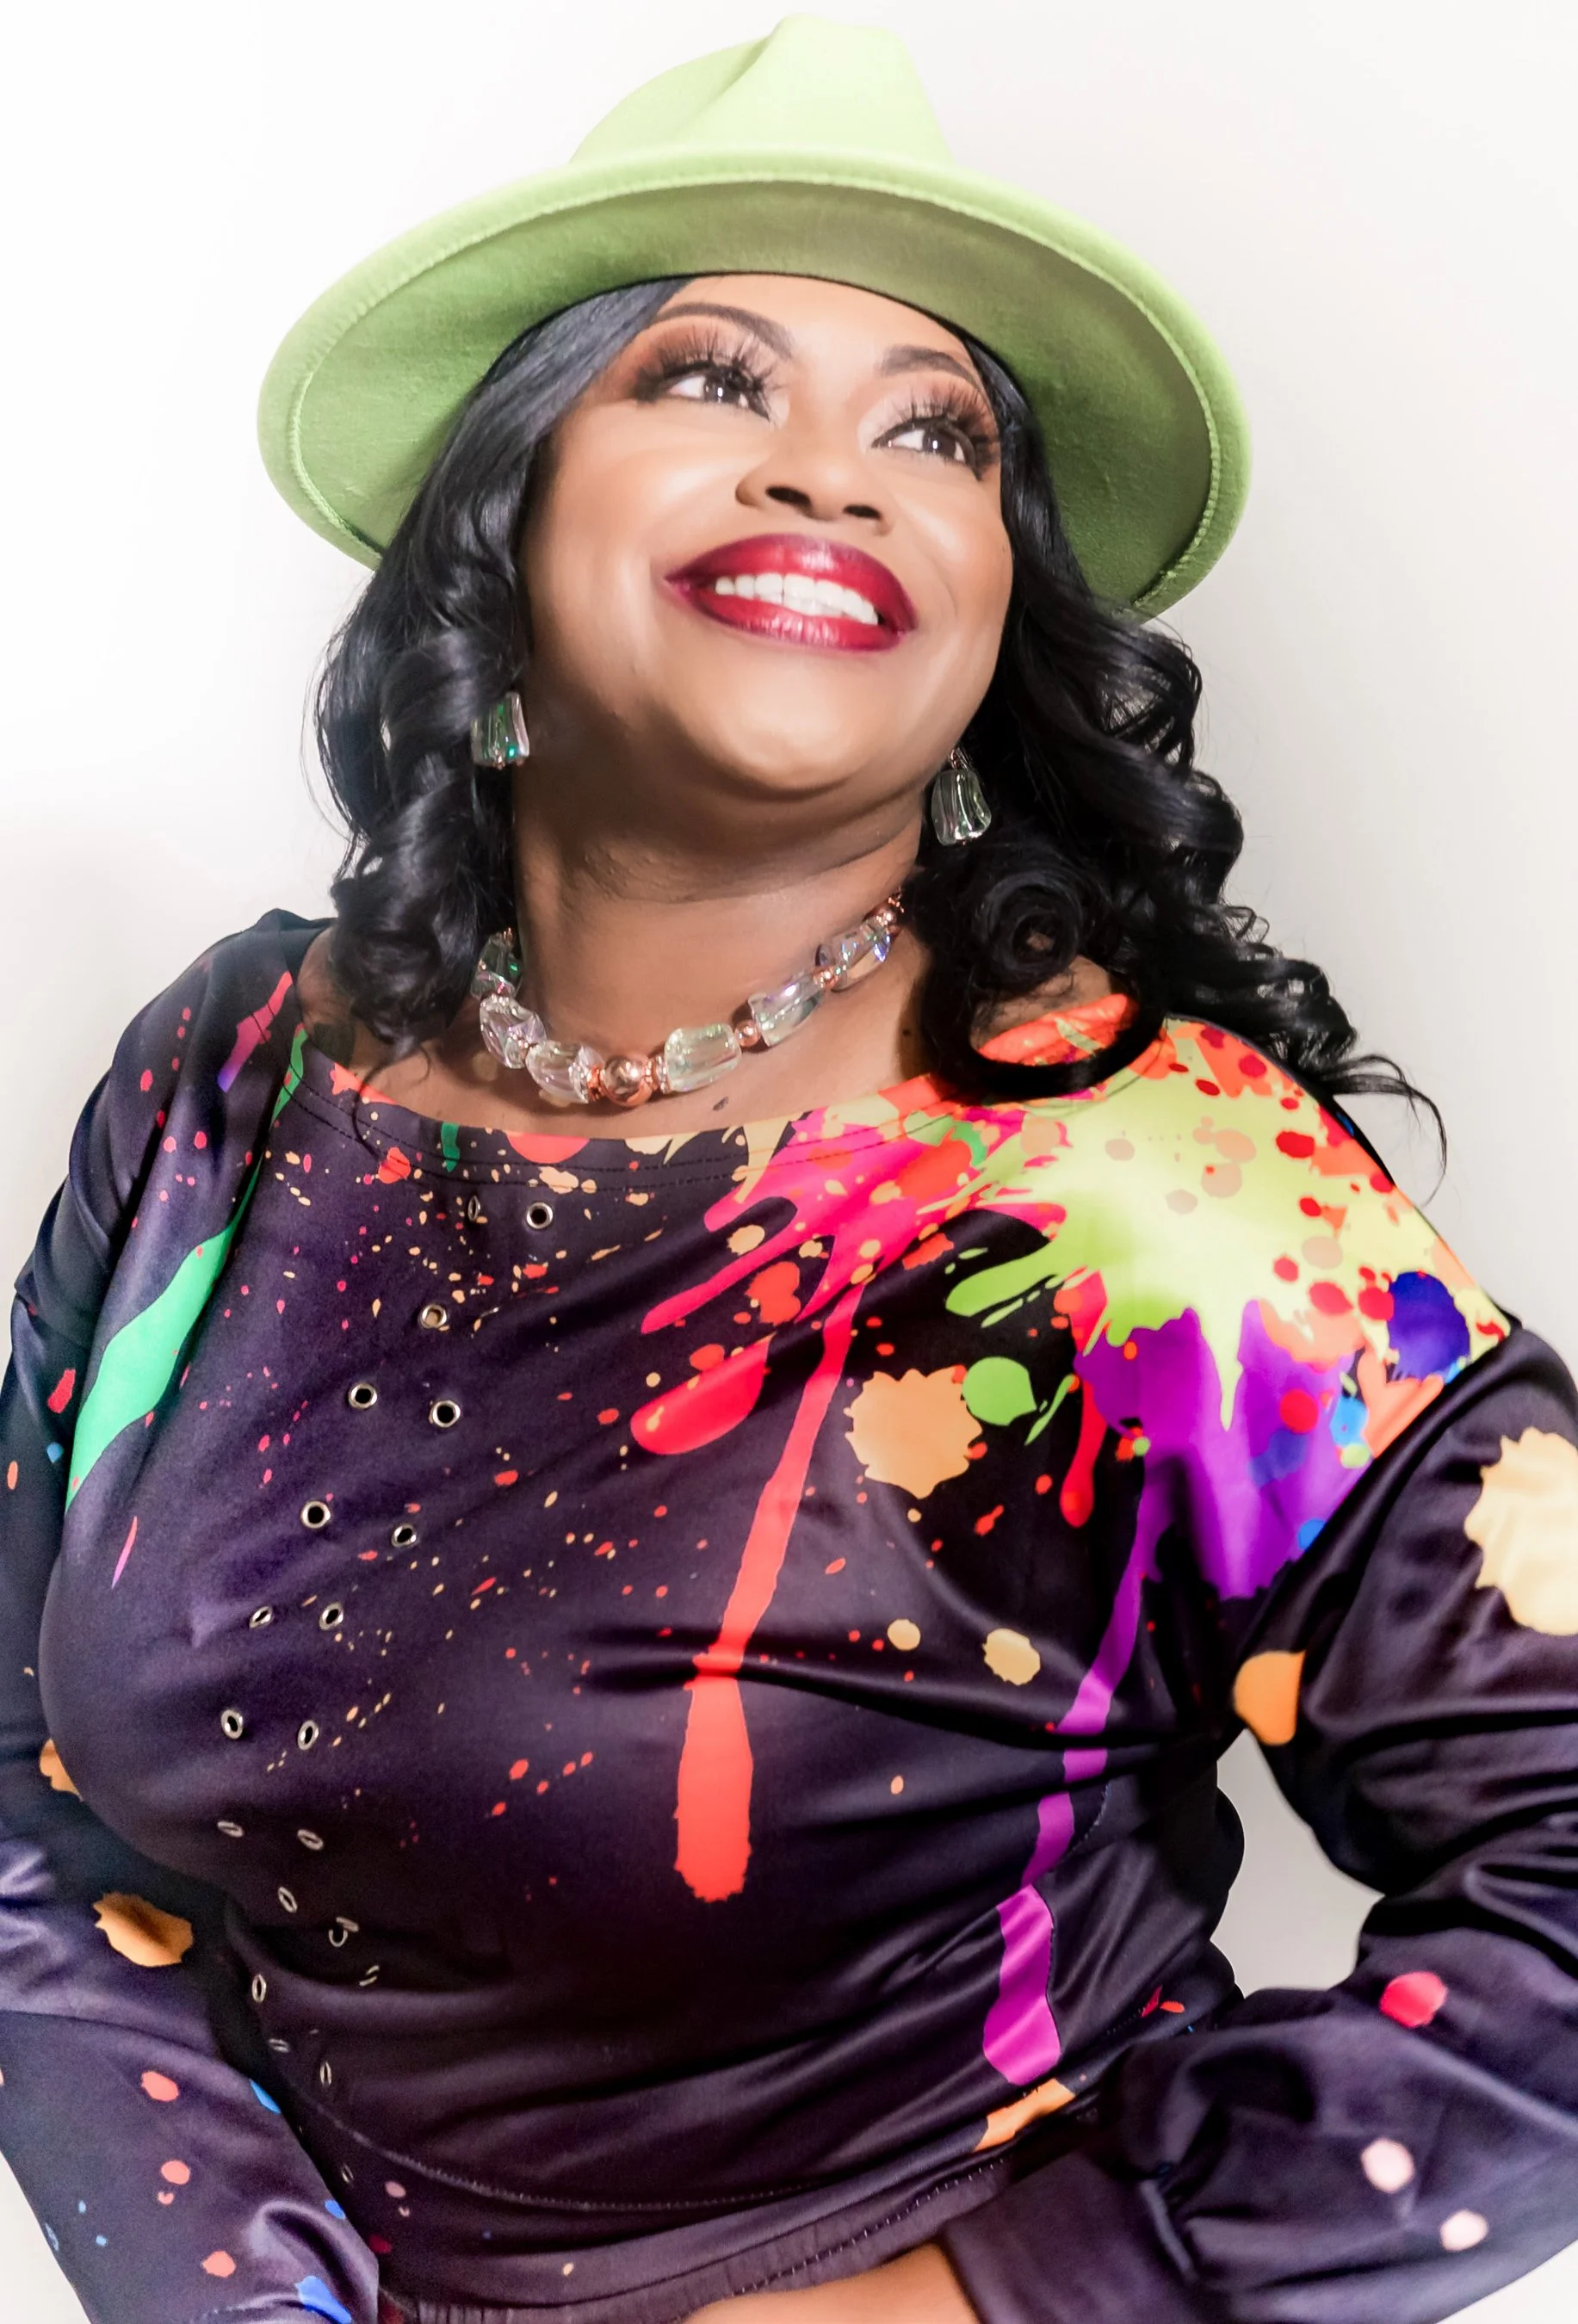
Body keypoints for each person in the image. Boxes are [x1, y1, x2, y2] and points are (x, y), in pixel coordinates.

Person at [3, 18, 1575, 2324]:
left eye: (937, 432)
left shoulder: (1149, 1191)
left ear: (994, 612)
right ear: (503, 517)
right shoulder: (228, 1081)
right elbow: (28, 1809)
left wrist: (963, 2304)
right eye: (713, 381)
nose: (834, 472)